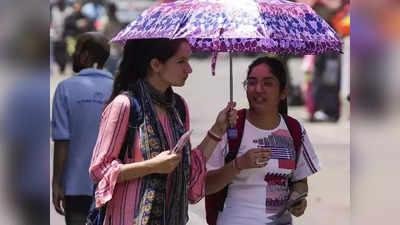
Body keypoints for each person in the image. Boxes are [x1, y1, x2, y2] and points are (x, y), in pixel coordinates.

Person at [89, 38, 237, 225]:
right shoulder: (125, 105)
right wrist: (152, 166)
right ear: (156, 65)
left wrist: (218, 129)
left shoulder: (178, 108)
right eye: (181, 61)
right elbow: (99, 170)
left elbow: (188, 170)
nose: (189, 69)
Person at [206, 56, 321, 225]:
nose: (258, 89)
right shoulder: (229, 126)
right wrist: (239, 164)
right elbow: (205, 185)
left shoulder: (294, 130)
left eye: (267, 83)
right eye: (251, 82)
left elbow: (300, 181)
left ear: (283, 92)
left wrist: (298, 199)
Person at [52, 32, 114, 225]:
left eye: (76, 50)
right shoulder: (118, 88)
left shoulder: (66, 88)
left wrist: (57, 183)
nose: (73, 55)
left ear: (86, 56)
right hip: (111, 185)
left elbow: (62, 141)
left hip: (75, 187)